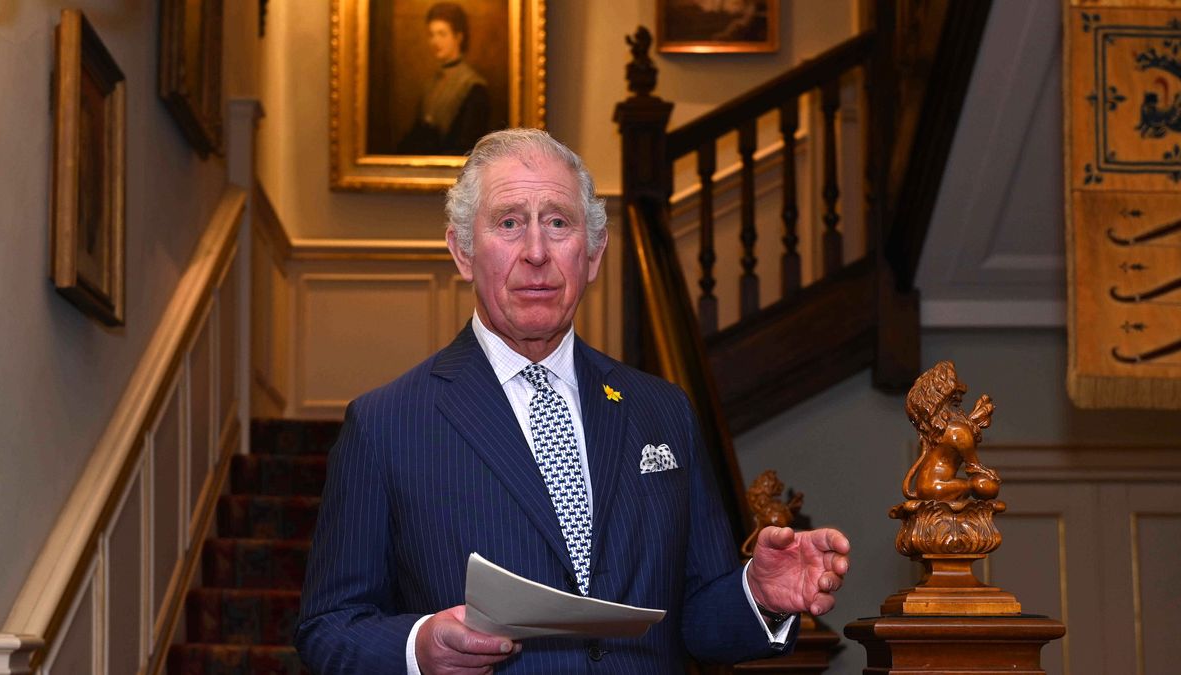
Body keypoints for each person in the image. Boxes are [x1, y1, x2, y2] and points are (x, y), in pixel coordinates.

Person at [295, 129, 851, 673]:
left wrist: (759, 594)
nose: (536, 251)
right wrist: (419, 648)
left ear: (592, 255)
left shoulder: (663, 411)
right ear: (462, 252)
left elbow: (694, 618)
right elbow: (327, 628)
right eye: (509, 223)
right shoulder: (386, 424)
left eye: (558, 223)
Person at [396, 2, 491, 155]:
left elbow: (467, 146)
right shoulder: (430, 85)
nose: (435, 41)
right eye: (431, 34)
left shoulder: (474, 86)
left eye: (442, 34)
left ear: (458, 37)